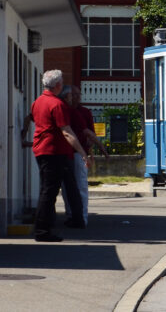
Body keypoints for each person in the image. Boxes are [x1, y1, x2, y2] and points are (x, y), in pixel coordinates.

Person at [31, 70, 88, 242]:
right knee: (50, 191)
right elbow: (67, 132)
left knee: (49, 189)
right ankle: (42, 230)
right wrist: (83, 152)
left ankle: (57, 223)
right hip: (54, 151)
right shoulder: (57, 104)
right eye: (62, 83)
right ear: (57, 85)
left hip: (43, 149)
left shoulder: (37, 102)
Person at [62, 85, 108, 227]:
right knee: (66, 187)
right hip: (65, 153)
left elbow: (89, 134)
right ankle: (71, 215)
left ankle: (82, 216)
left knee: (80, 185)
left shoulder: (83, 112)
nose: (77, 97)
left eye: (78, 95)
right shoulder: (64, 110)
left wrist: (92, 152)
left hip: (79, 153)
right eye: (73, 95)